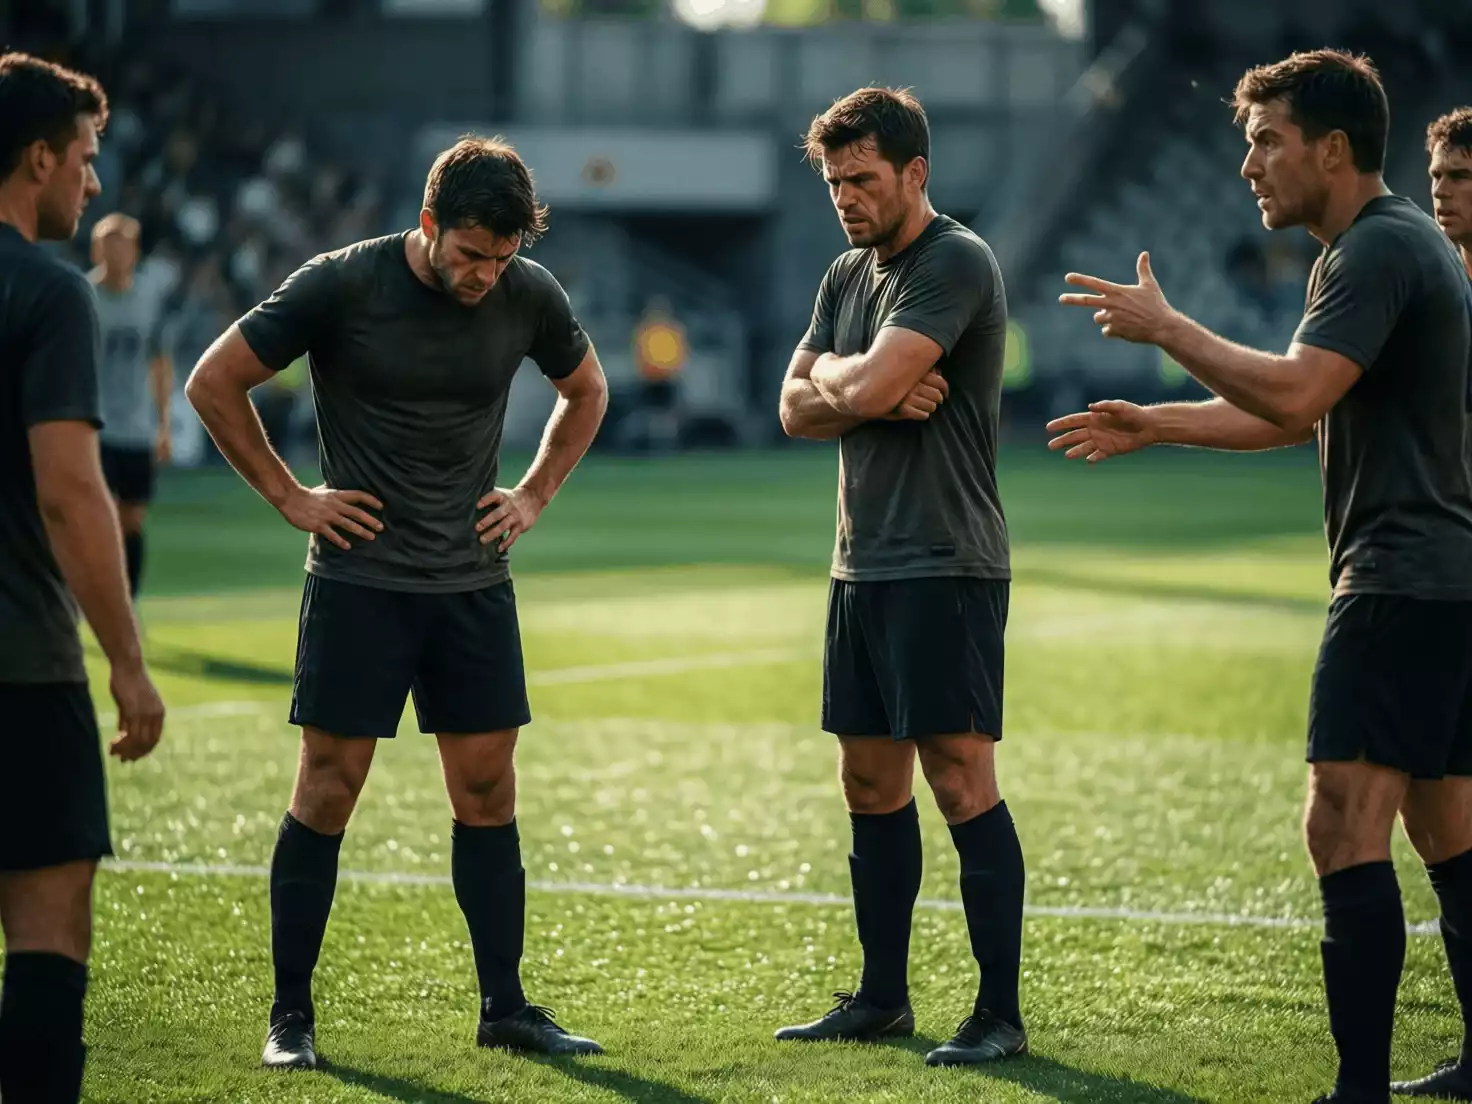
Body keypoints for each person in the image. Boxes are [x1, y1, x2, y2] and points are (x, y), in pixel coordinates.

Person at [1047, 52, 1472, 1104]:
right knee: (1444, 829)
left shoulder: (1375, 248)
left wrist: (1168, 330)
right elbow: (1299, 410)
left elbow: (1291, 395)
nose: (1247, 165)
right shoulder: (1386, 244)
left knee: (1339, 822)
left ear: (1332, 150)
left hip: (1399, 580)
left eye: (1266, 141)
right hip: (1443, 583)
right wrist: (1157, 423)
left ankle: (1357, 1091)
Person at [186, 135, 610, 1070]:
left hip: (472, 586)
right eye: (472, 254)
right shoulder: (340, 283)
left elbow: (585, 393)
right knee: (327, 789)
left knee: (488, 792)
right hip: (359, 584)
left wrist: (533, 494)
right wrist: (290, 497)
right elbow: (214, 382)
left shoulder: (529, 294)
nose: (486, 275)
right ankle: (290, 1018)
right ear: (428, 224)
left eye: (502, 257)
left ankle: (505, 1008)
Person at [775, 86, 1026, 1068]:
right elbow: (793, 408)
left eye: (862, 178)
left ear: (915, 173)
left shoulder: (954, 260)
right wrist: (861, 384)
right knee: (867, 780)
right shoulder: (844, 274)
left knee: (958, 777)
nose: (845, 196)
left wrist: (843, 380)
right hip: (860, 561)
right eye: (833, 181)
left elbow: (849, 386)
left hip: (944, 559)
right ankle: (882, 998)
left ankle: (998, 1014)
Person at [0, 51, 166, 1104]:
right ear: (37, 160)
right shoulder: (49, 292)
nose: (92, 182)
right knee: (48, 929)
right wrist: (129, 664)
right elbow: (70, 493)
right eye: (85, 158)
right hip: (21, 663)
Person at [1382, 105, 1472, 1102]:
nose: (1442, 188)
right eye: (1436, 172)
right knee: (1437, 811)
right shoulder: (1431, 284)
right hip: (1443, 582)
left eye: (1462, 174)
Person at [89, 212, 173, 598]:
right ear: (96, 250)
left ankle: (128, 597)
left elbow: (160, 363)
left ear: (135, 251)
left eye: (122, 246)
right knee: (98, 518)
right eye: (108, 246)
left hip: (137, 428)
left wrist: (164, 424)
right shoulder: (84, 297)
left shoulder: (149, 300)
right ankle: (97, 595)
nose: (115, 254)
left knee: (132, 520)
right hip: (96, 426)